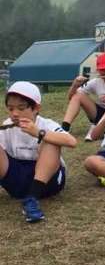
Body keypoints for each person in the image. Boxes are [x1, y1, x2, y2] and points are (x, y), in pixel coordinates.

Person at [0, 81, 76, 222]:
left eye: (21, 108)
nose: (15, 113)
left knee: (51, 142)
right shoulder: (7, 126)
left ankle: (32, 199)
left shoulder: (45, 124)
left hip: (47, 183)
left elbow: (72, 142)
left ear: (36, 108)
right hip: (17, 182)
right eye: (10, 109)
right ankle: (27, 196)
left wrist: (39, 133)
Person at [62, 52, 105, 138]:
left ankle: (102, 128)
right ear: (98, 70)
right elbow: (71, 98)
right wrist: (75, 85)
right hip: (98, 114)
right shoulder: (95, 82)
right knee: (78, 95)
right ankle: (64, 128)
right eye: (103, 70)